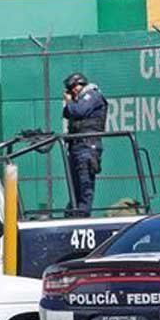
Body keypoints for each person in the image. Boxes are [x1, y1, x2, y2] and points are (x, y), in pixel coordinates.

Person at [62, 72, 108, 217]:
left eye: (75, 86)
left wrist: (69, 102)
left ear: (82, 84)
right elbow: (67, 113)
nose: (74, 90)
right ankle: (73, 215)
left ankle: (82, 218)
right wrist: (70, 104)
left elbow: (79, 111)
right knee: (74, 188)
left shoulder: (92, 95)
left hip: (88, 147)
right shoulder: (78, 101)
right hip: (76, 147)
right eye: (71, 88)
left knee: (84, 187)